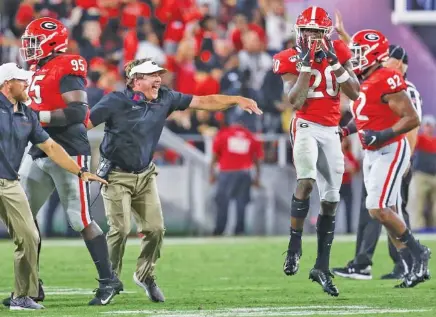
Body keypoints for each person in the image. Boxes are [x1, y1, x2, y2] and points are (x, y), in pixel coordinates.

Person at [87, 58, 261, 302]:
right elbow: (84, 124)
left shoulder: (165, 98)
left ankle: (145, 274)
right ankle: (109, 281)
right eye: (151, 75)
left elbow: (203, 101)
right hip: (116, 175)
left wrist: (235, 100)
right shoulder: (115, 101)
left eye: (159, 74)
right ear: (136, 80)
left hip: (145, 174)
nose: (158, 78)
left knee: (156, 229)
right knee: (121, 229)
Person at [3, 17, 123, 307]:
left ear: (52, 41)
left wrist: (36, 119)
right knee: (23, 217)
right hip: (39, 149)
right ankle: (31, 286)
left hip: (68, 149)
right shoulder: (34, 70)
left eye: (34, 42)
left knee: (79, 219)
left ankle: (109, 281)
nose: (28, 48)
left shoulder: (67, 65)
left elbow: (77, 113)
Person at [272, 6, 360, 296]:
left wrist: (334, 63)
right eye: (306, 31)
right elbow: (294, 100)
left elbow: (356, 94)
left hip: (332, 130)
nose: (310, 36)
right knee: (307, 181)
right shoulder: (289, 58)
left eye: (316, 31)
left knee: (332, 198)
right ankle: (294, 246)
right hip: (306, 125)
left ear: (326, 33)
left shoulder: (338, 51)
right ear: (299, 31)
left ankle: (321, 266)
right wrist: (307, 66)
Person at [338, 29, 430, 288]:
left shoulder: (388, 77)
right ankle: (411, 264)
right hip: (374, 151)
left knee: (380, 209)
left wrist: (383, 135)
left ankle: (418, 254)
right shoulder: (368, 78)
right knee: (382, 211)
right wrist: (345, 129)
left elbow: (412, 118)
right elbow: (367, 116)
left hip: (390, 149)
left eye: (358, 52)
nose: (354, 57)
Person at [210, 115, 263, 236]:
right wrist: (257, 178)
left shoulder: (224, 134)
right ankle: (239, 230)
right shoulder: (250, 136)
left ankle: (219, 229)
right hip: (244, 173)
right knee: (241, 203)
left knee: (222, 202)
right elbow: (258, 160)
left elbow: (214, 157)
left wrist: (212, 174)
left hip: (226, 173)